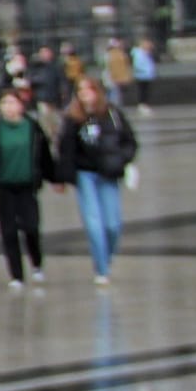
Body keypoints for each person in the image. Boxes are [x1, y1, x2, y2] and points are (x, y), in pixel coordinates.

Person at [56, 77, 140, 286]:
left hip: (109, 173)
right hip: (85, 174)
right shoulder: (72, 118)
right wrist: (62, 177)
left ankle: (107, 256)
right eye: (81, 90)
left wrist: (122, 159)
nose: (85, 94)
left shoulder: (112, 114)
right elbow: (65, 150)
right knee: (94, 222)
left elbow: (130, 141)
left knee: (112, 224)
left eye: (89, 90)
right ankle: (101, 268)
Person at [0, 89, 56, 289]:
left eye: (12, 103)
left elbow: (45, 155)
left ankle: (36, 263)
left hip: (27, 186)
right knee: (9, 231)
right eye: (4, 104)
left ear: (21, 105)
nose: (9, 108)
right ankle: (16, 274)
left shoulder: (32, 127)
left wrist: (54, 177)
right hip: (3, 187)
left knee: (31, 227)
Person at [30, 46, 69, 132]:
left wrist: (64, 95)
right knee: (45, 122)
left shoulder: (57, 66)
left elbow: (62, 81)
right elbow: (30, 79)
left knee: (57, 122)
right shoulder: (36, 67)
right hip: (42, 98)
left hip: (55, 98)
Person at [103, 39, 134, 106]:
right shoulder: (114, 55)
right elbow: (115, 67)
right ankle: (113, 107)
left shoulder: (110, 54)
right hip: (112, 76)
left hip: (111, 76)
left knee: (112, 92)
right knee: (114, 93)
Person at [131, 38, 158, 115]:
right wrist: (145, 71)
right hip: (142, 75)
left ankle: (145, 104)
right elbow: (138, 64)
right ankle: (142, 105)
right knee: (143, 90)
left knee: (146, 90)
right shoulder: (139, 54)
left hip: (147, 75)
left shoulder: (146, 53)